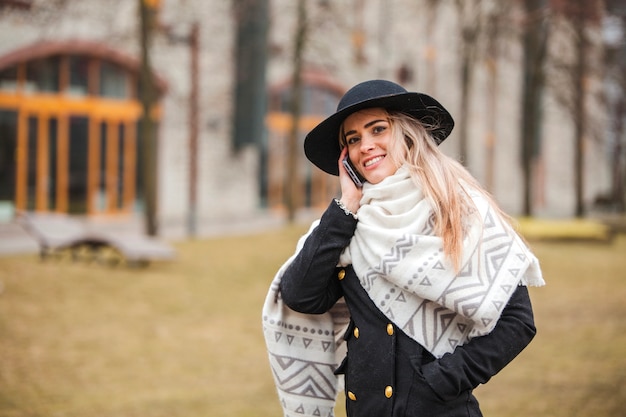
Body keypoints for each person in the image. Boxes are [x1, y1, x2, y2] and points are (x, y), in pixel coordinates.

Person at [262, 79, 544, 417]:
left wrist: (440, 382)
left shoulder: (461, 208)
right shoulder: (349, 225)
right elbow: (300, 295)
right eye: (353, 139)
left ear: (406, 133)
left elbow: (517, 322)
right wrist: (347, 205)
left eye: (377, 129)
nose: (365, 145)